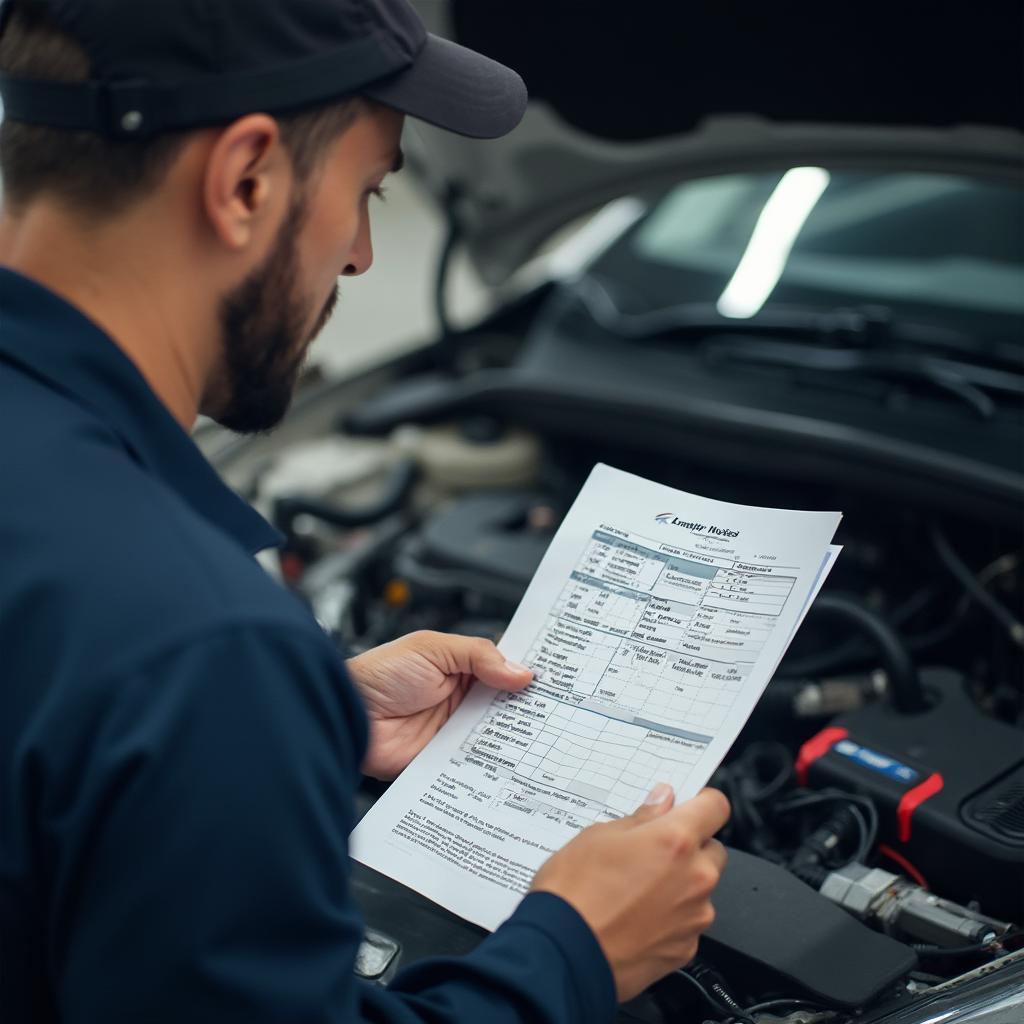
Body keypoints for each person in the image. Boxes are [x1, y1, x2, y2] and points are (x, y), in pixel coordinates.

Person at [0, 1, 730, 1021]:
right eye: (366, 190)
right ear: (245, 180)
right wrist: (575, 950)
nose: (360, 258)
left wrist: (305, 723)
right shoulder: (196, 648)